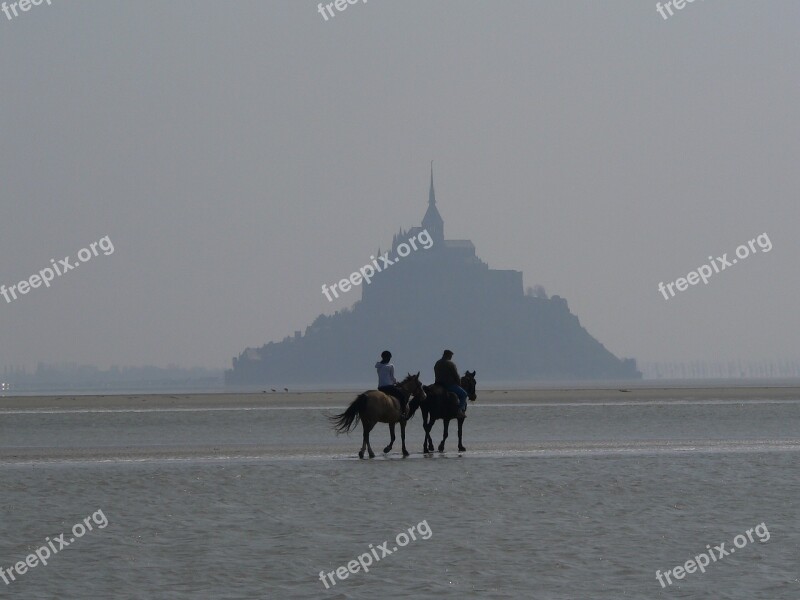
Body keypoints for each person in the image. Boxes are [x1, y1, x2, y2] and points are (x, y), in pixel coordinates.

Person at [434, 349, 468, 419]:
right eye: (451, 356)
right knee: (464, 394)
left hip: (438, 384)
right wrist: (459, 384)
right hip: (449, 385)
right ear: (448, 355)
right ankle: (459, 411)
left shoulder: (437, 363)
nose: (451, 357)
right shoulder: (450, 363)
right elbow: (456, 375)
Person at [375, 351, 408, 420]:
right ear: (388, 358)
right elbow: (392, 377)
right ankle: (403, 414)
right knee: (402, 397)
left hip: (380, 387)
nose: (390, 359)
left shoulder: (378, 366)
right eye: (389, 357)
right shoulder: (390, 366)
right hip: (388, 386)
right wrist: (397, 383)